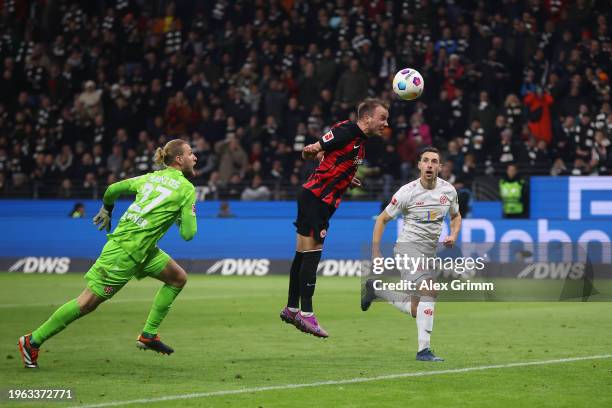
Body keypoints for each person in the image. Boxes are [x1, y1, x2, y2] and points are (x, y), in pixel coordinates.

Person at [18, 139, 198, 368]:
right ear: (179, 159)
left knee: (177, 277)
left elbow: (112, 189)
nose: (195, 158)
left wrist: (107, 209)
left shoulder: (150, 177)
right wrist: (183, 216)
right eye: (191, 153)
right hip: (124, 251)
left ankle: (148, 335)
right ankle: (31, 341)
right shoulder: (186, 189)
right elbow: (188, 234)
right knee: (87, 303)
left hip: (144, 249)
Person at [279, 98, 389, 338]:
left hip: (316, 198)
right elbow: (319, 147)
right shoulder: (349, 130)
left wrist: (347, 177)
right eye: (382, 118)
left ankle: (291, 307)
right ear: (367, 117)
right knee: (312, 255)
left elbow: (328, 157)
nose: (385, 123)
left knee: (301, 254)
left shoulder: (360, 142)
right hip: (317, 198)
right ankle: (306, 315)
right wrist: (314, 147)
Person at [362, 147, 462, 361]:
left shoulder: (448, 191)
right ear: (419, 165)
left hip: (428, 254)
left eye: (434, 161)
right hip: (407, 248)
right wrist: (376, 251)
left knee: (417, 309)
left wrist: (453, 234)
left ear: (440, 167)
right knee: (431, 289)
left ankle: (377, 290)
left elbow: (456, 216)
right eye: (425, 161)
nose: (429, 165)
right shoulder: (407, 192)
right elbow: (381, 219)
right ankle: (423, 351)